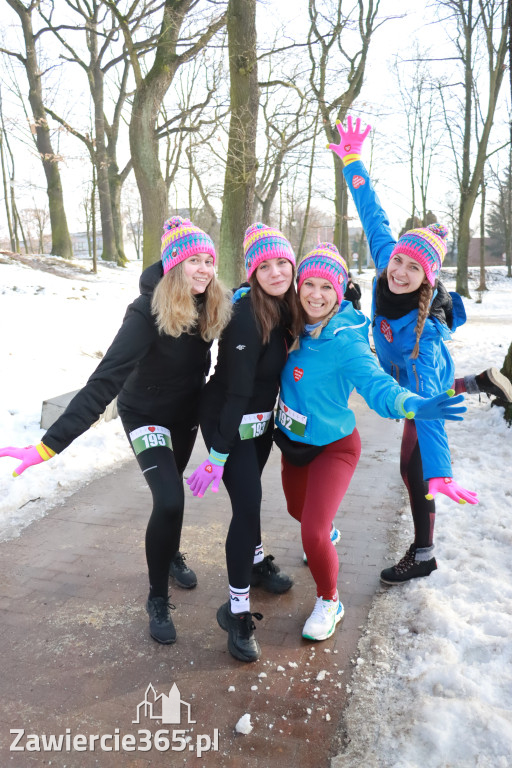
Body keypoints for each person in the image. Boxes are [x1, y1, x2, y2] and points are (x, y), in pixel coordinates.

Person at [0, 216, 232, 645]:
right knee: (168, 498)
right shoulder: (145, 313)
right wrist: (48, 446)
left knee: (174, 496)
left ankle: (170, 553)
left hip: (184, 414)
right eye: (193, 261)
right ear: (174, 265)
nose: (203, 269)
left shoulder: (212, 301)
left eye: (208, 261)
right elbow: (104, 381)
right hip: (145, 414)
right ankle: (157, 598)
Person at [328, 117, 512, 586]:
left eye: (413, 268)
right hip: (403, 373)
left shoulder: (424, 338)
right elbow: (372, 213)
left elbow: (428, 413)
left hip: (417, 378)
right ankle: (479, 382)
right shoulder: (386, 260)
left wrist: (441, 470)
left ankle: (424, 553)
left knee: (414, 465)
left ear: (427, 279)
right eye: (398, 261)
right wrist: (353, 161)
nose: (400, 271)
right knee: (423, 401)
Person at [275, 243, 468, 642]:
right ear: (297, 287)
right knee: (298, 511)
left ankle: (330, 600)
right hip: (293, 445)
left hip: (335, 447)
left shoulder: (347, 340)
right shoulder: (287, 323)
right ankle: (324, 532)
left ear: (339, 292)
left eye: (326, 287)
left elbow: (377, 384)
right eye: (308, 284)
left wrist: (413, 404)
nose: (316, 295)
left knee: (312, 532)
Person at [187, 222, 303, 663]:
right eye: (264, 266)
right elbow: (235, 392)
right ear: (253, 273)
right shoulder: (244, 318)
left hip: (259, 424)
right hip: (227, 421)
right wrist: (217, 454)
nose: (275, 272)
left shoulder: (286, 308)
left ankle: (254, 564)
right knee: (247, 505)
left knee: (252, 500)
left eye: (282, 263)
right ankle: (235, 611)